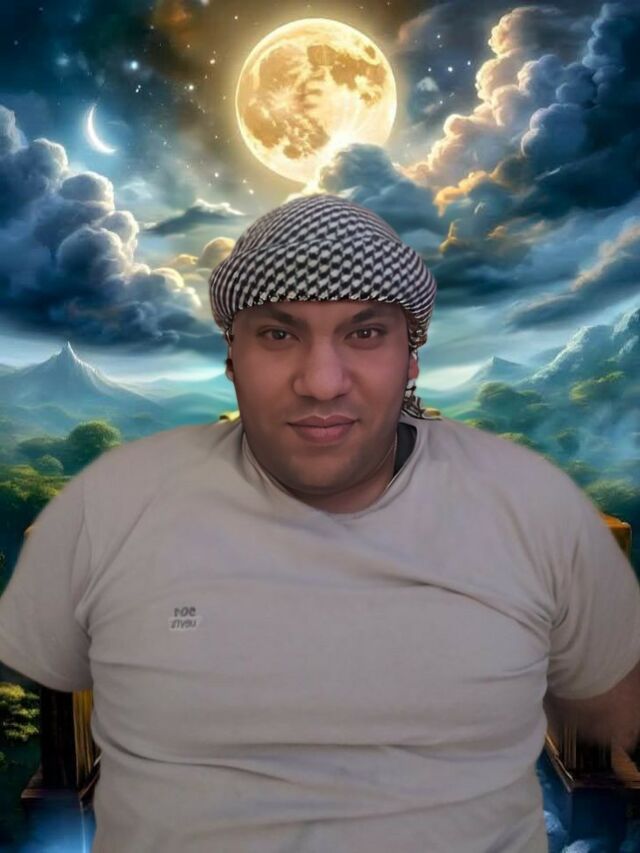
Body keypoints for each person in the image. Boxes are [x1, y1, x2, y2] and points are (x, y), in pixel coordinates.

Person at [0, 193, 639, 853]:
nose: (323, 381)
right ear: (231, 356)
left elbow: (612, 706)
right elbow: (50, 691)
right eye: (279, 335)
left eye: (365, 333)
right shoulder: (110, 509)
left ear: (411, 357)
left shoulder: (532, 511)